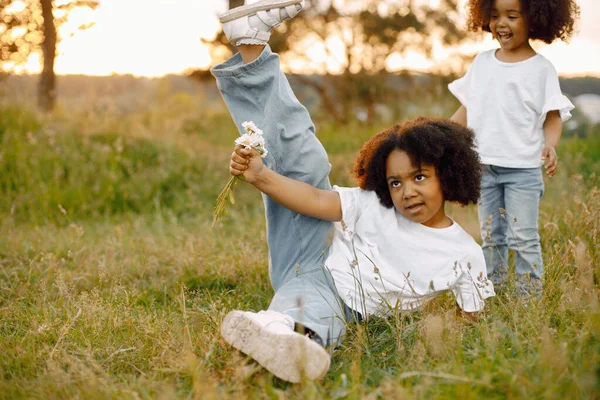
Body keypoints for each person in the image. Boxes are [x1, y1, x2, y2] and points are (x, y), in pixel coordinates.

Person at [212, 0, 494, 383]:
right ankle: (250, 42)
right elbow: (314, 200)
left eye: (419, 177)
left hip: (347, 299)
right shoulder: (375, 205)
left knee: (326, 313)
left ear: (448, 175)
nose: (407, 191)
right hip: (317, 255)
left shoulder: (465, 255)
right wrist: (260, 176)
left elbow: (471, 320)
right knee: (306, 158)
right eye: (396, 182)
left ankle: (282, 335)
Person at [449, 0, 578, 294]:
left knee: (523, 237)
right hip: (484, 167)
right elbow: (467, 109)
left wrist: (550, 145)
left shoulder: (541, 69)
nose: (501, 23)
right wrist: (441, 136)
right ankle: (492, 291)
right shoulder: (482, 62)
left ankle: (528, 299)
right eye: (494, 16)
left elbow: (553, 116)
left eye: (512, 15)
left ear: (534, 19)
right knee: (491, 235)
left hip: (523, 170)